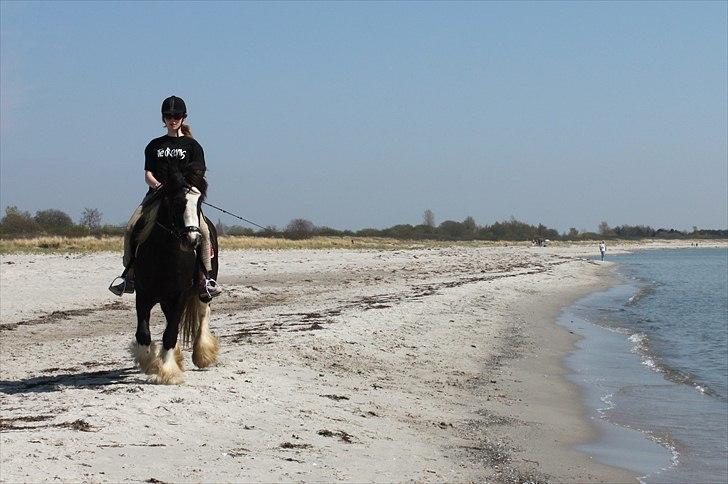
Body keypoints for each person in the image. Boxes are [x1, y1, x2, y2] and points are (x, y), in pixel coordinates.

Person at [109, 95, 222, 300]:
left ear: (183, 117)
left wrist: (184, 188)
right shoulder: (154, 145)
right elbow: (148, 174)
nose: (173, 119)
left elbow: (199, 173)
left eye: (176, 116)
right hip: (157, 196)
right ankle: (129, 276)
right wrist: (159, 186)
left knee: (204, 231)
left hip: (185, 197)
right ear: (163, 119)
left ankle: (205, 279)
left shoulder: (193, 146)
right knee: (131, 227)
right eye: (169, 116)